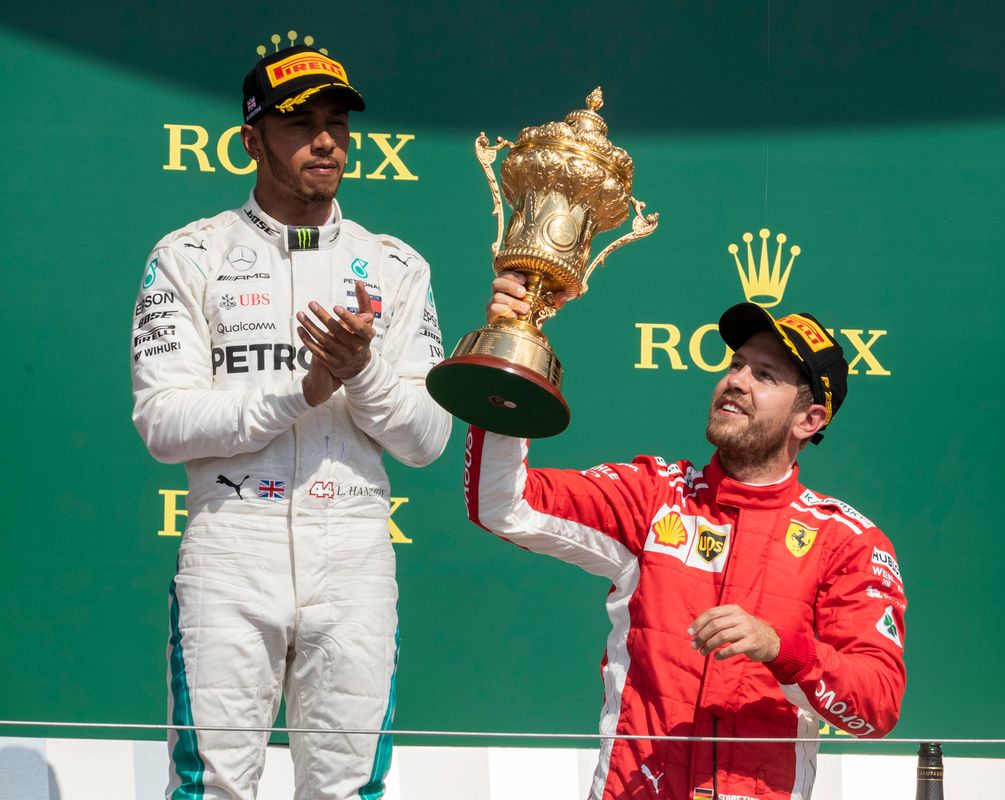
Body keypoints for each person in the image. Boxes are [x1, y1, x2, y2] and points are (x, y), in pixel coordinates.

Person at [130, 42, 451, 799]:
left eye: (337, 124)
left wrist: (361, 370)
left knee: (347, 791)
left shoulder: (396, 266)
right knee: (211, 788)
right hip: (230, 546)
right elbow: (163, 422)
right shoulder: (190, 255)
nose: (326, 141)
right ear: (251, 140)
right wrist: (302, 391)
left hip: (355, 550)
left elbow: (427, 440)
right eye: (300, 125)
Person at [464, 274, 906, 800]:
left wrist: (780, 648)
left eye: (764, 375)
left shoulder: (847, 542)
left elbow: (877, 707)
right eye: (736, 364)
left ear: (809, 420)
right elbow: (504, 504)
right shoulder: (655, 497)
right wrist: (508, 360)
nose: (736, 381)